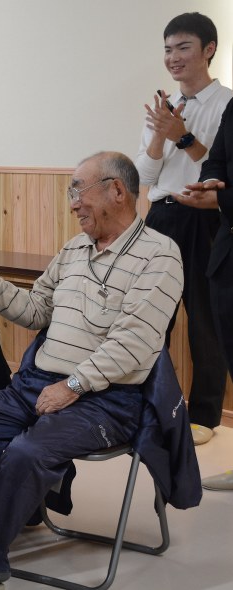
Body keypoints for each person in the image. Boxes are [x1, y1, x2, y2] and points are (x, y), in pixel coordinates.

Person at [0, 152, 184, 590]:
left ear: (116, 190)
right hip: (35, 384)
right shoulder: (73, 249)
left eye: (77, 191)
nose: (72, 204)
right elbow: (36, 311)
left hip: (106, 400)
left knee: (28, 453)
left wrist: (73, 385)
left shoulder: (160, 256)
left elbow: (135, 344)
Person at [135, 12, 232, 446]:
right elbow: (145, 174)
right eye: (168, 49)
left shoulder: (227, 103)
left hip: (206, 216)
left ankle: (205, 416)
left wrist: (181, 134)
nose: (173, 58)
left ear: (208, 49)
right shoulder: (163, 104)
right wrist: (160, 134)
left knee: (205, 319)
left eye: (183, 47)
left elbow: (218, 167)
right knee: (150, 316)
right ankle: (147, 403)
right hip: (161, 216)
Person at [180, 96, 233, 490]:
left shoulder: (222, 100)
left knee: (206, 333)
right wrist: (212, 181)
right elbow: (217, 159)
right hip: (227, 246)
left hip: (216, 219)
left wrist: (222, 197)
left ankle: (204, 415)